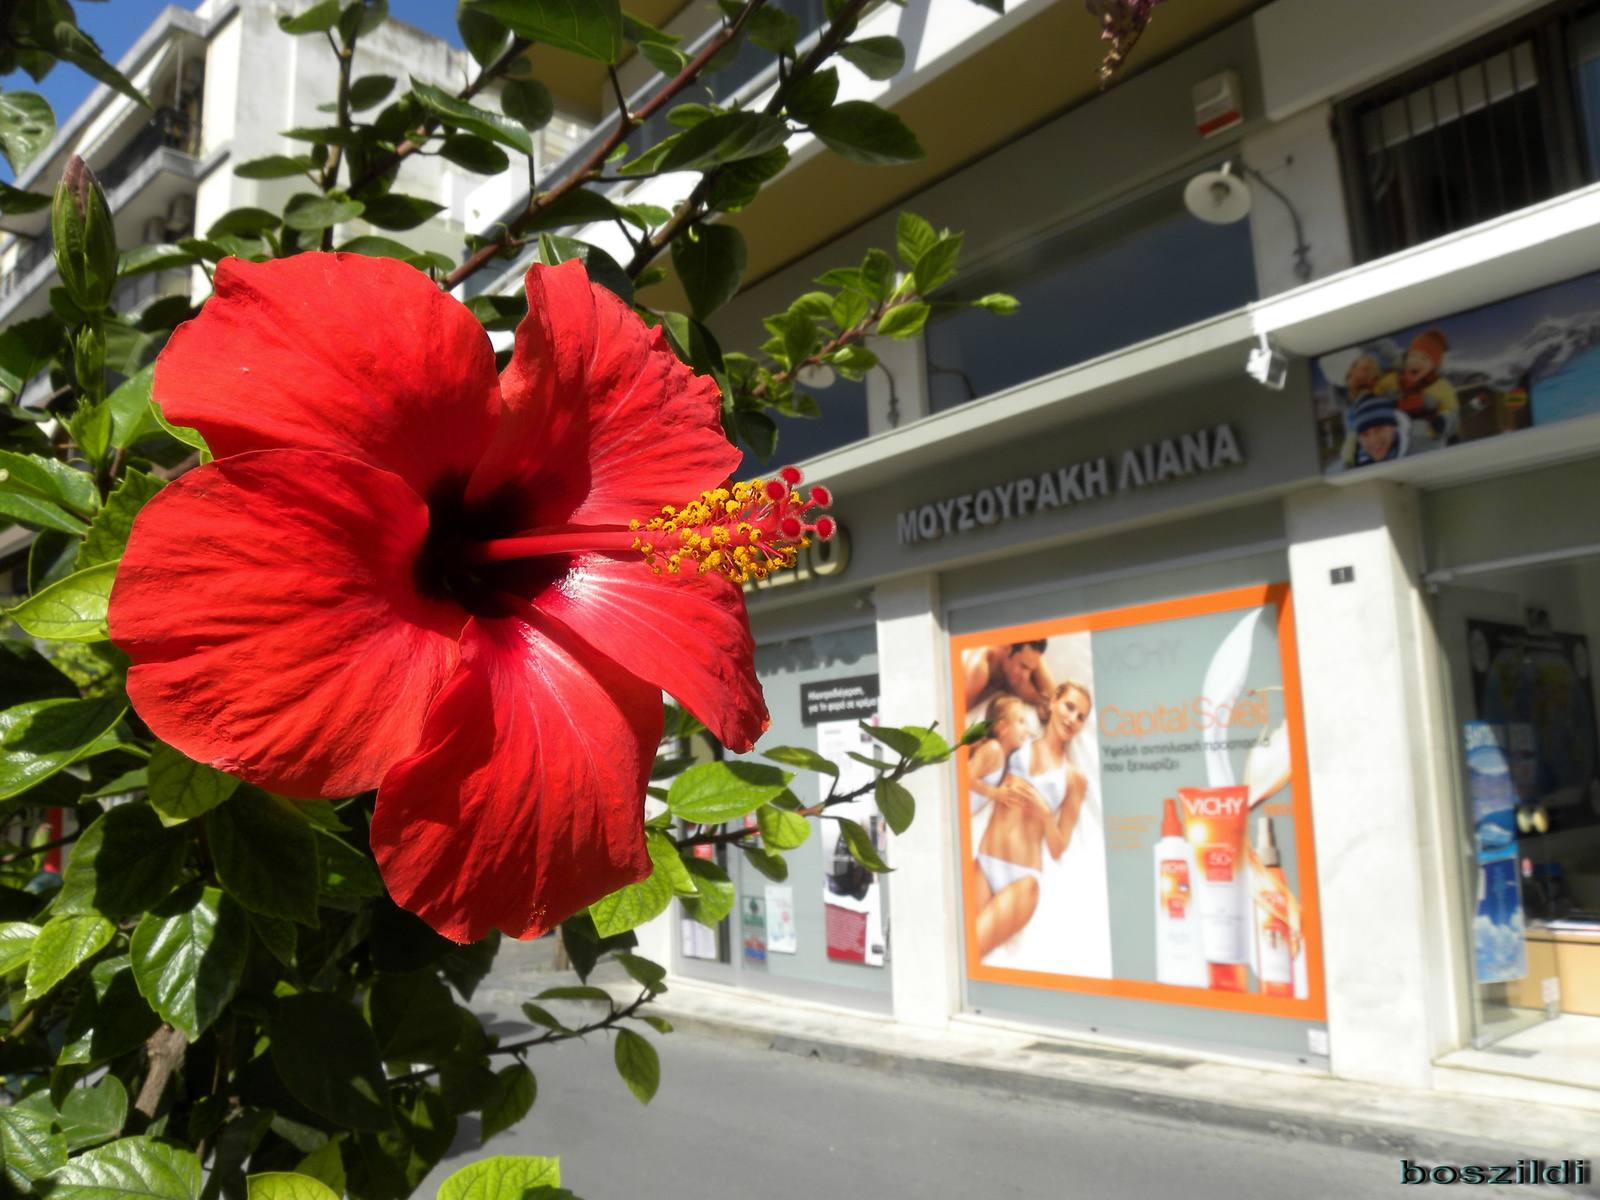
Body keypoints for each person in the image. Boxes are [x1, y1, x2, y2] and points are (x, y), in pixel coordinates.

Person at [972, 681, 1092, 958]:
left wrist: (1045, 813)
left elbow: (1058, 847)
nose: (1072, 719)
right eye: (1069, 707)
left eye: (1081, 716)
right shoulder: (1017, 742)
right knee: (954, 947)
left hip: (1023, 880)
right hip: (985, 861)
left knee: (972, 946)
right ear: (1052, 703)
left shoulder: (1074, 777)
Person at [967, 694, 1035, 815]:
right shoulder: (993, 749)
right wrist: (996, 793)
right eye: (1021, 722)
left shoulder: (1003, 756)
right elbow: (967, 779)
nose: (1025, 729)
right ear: (1002, 727)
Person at [963, 639, 1056, 721]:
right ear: (1007, 648)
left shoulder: (1015, 663)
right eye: (1024, 666)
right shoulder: (979, 669)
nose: (1026, 677)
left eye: (1030, 669)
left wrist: (1037, 699)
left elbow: (1055, 699)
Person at [1396, 327, 1460, 443]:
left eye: (1424, 358)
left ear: (1433, 366)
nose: (1416, 361)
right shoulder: (1396, 380)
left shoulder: (1440, 386)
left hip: (1429, 439)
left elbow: (1451, 412)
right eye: (1413, 355)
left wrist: (1442, 422)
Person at [1343, 394, 1409, 466]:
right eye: (1365, 434)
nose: (1374, 440)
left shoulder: (1418, 451)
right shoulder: (1353, 465)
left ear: (1394, 427)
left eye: (1379, 429)